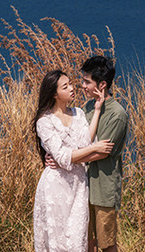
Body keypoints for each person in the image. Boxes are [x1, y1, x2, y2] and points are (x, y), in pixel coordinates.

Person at [32, 70, 114, 252]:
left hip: (78, 186)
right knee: (57, 242)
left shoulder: (78, 113)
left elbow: (85, 141)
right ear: (54, 94)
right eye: (65, 86)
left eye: (70, 83)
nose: (72, 88)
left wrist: (98, 109)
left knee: (77, 241)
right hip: (55, 189)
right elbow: (62, 157)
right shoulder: (44, 122)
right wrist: (94, 149)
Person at [81, 56, 128, 252]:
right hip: (84, 185)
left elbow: (102, 153)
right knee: (87, 241)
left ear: (102, 85)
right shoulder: (89, 107)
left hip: (104, 188)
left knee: (107, 243)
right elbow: (83, 142)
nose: (82, 85)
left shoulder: (117, 114)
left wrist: (69, 158)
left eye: (86, 81)